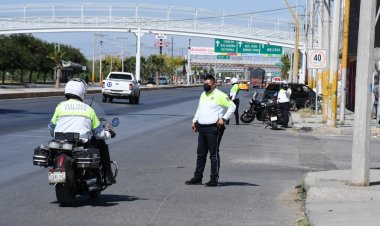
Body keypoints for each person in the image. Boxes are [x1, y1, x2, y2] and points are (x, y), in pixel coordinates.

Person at [48, 78, 116, 185]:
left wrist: (54, 134)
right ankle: (108, 176)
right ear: (82, 92)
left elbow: (51, 127)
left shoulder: (60, 107)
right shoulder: (88, 109)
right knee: (101, 144)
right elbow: (98, 133)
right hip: (80, 143)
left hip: (60, 143)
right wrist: (107, 133)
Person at [185, 74, 236, 187]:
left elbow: (232, 106)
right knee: (200, 154)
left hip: (214, 128)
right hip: (202, 128)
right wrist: (194, 120)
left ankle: (214, 179)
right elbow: (200, 108)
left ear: (214, 84)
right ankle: (197, 178)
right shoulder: (203, 94)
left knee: (213, 154)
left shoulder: (220, 95)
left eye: (208, 84)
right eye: (204, 83)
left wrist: (224, 118)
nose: (205, 85)